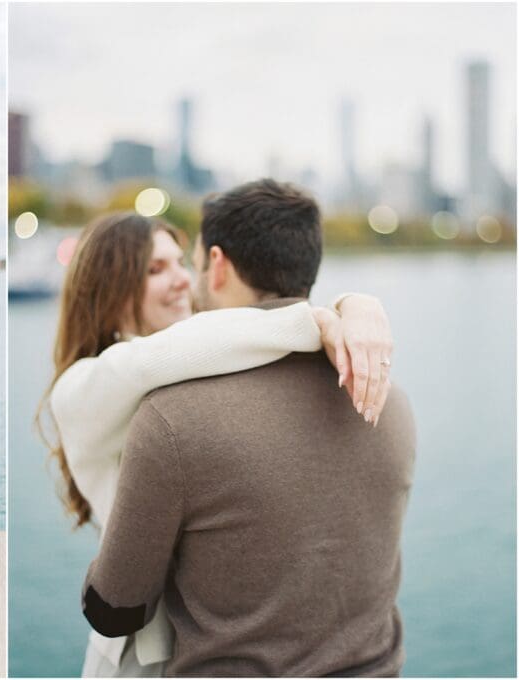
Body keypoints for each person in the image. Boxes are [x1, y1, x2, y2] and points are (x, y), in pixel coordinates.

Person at [81, 179, 415, 676]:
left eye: (191, 264)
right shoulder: (391, 402)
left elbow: (115, 609)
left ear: (217, 264)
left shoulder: (173, 418)